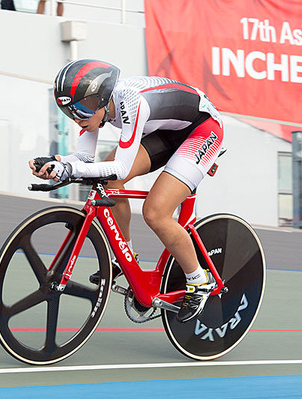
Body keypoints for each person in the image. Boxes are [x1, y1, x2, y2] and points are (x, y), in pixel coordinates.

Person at [29, 59, 224, 323]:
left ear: (100, 98)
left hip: (202, 130)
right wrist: (59, 163)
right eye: (69, 112)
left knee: (155, 213)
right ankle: (126, 257)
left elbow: (119, 168)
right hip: (166, 131)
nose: (77, 119)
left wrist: (69, 170)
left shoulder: (131, 102)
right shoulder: (97, 111)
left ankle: (198, 280)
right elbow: (84, 159)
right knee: (109, 184)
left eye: (81, 110)